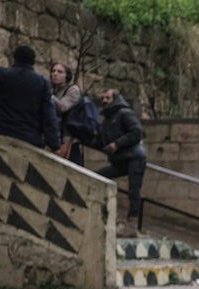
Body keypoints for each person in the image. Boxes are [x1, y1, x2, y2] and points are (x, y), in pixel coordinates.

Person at [0, 24, 58, 151]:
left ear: (15, 59)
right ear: (32, 61)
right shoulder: (42, 83)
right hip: (30, 141)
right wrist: (53, 143)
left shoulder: (2, 75)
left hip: (2, 136)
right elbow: (49, 115)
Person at [95, 89, 147, 237]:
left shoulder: (125, 113)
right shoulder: (106, 120)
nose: (104, 100)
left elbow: (136, 133)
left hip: (134, 157)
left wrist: (117, 144)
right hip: (120, 159)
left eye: (108, 98)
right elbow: (100, 140)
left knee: (133, 190)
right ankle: (108, 214)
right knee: (98, 177)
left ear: (115, 99)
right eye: (103, 97)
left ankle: (132, 225)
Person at [50, 62, 85, 166]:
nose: (55, 74)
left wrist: (47, 94)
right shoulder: (54, 91)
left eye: (60, 72)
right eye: (53, 71)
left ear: (67, 76)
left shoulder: (73, 90)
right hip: (56, 135)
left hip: (69, 138)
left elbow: (62, 107)